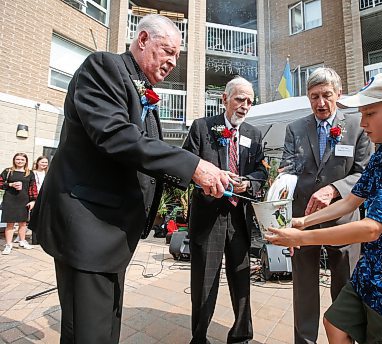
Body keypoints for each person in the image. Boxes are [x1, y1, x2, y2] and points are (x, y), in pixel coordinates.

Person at [29, 14, 229, 344]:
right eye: (167, 50)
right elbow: (115, 135)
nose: (172, 62)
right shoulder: (104, 67)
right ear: (142, 40)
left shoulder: (141, 87)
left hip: (112, 235)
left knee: (106, 328)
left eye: (177, 55)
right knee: (88, 333)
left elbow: (148, 152)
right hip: (87, 229)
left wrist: (204, 174)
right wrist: (193, 166)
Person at [267, 71, 382, 343]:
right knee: (335, 322)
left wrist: (301, 237)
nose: (363, 122)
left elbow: (371, 229)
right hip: (376, 270)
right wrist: (302, 222)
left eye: (369, 114)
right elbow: (352, 199)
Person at [280, 67, 371, 344]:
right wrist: (282, 179)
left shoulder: (357, 126)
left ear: (338, 94)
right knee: (304, 289)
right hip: (303, 222)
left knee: (344, 288)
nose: (320, 103)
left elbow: (363, 173)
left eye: (326, 95)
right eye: (314, 96)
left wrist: (334, 189)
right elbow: (288, 167)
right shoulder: (295, 128)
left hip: (344, 222)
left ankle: (344, 340)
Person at [183, 76, 267, 344]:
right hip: (209, 216)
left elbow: (261, 171)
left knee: (242, 277)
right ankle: (199, 337)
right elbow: (185, 166)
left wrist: (249, 182)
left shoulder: (253, 133)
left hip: (239, 216)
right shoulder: (202, 128)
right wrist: (204, 179)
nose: (244, 106)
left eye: (250, 102)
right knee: (205, 280)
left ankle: (242, 334)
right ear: (224, 100)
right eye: (240, 99)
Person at [0, 153, 37, 254]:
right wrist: (10, 184)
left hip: (24, 200)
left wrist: (33, 200)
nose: (20, 161)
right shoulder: (8, 171)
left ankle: (22, 241)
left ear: (26, 161)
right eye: (18, 159)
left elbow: (33, 187)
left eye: (22, 160)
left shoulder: (29, 173)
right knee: (10, 223)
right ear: (14, 160)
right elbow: (0, 183)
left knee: (23, 222)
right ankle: (8, 245)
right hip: (10, 200)